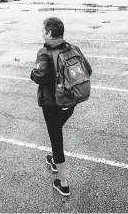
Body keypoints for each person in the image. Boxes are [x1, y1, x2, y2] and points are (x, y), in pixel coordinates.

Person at [30, 17, 92, 197]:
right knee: (57, 130)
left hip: (52, 103)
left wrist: (32, 72)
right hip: (70, 103)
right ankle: (56, 161)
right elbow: (88, 70)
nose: (41, 33)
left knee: (56, 138)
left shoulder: (44, 52)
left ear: (49, 33)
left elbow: (38, 76)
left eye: (43, 30)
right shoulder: (73, 48)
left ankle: (63, 183)